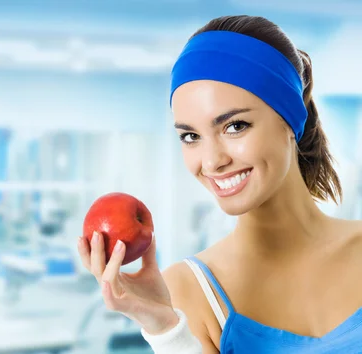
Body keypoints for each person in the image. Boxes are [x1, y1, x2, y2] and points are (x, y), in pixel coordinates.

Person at [77, 15, 362, 353]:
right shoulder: (187, 291)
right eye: (191, 136)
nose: (211, 161)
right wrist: (166, 331)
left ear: (291, 119)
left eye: (235, 126)